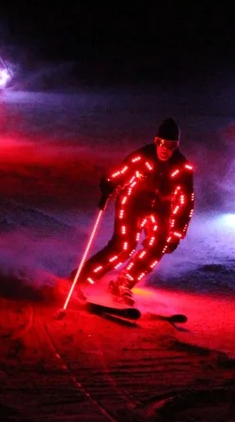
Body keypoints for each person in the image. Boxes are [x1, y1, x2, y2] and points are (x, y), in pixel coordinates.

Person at [72, 118, 195, 306]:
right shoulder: (142, 156)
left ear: (177, 145)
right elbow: (122, 172)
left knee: (157, 247)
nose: (164, 149)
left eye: (171, 145)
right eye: (160, 143)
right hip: (132, 205)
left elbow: (186, 202)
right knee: (123, 247)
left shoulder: (182, 168)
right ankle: (79, 281)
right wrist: (109, 184)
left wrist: (177, 233)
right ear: (155, 141)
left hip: (160, 211)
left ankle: (125, 282)